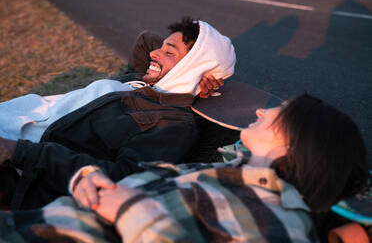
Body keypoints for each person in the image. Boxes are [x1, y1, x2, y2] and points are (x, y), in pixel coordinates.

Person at [0, 93, 368, 242]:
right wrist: (91, 181)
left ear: (302, 140)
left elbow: (134, 207)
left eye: (279, 110)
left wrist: (132, 210)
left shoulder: (283, 218)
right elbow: (124, 185)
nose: (260, 110)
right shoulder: (224, 175)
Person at [0, 17, 236, 210]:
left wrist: (19, 151)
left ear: (191, 69)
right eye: (161, 47)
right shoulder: (143, 82)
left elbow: (123, 178)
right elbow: (146, 40)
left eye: (169, 52)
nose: (154, 53)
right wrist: (182, 59)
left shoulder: (171, 123)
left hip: (23, 171)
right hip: (12, 122)